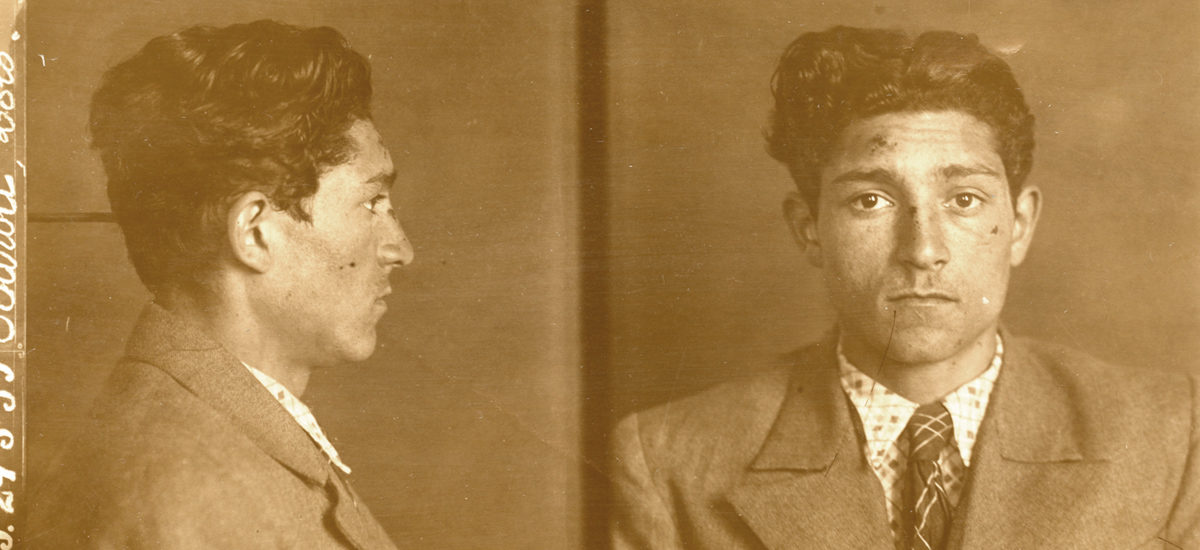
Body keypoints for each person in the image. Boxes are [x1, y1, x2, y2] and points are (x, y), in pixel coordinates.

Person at [609, 26, 1198, 549]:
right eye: (871, 200)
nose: (922, 250)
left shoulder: (1173, 435)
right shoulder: (670, 460)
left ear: (1019, 225)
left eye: (963, 200)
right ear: (809, 228)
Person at [26, 20, 410, 548]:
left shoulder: (214, 439)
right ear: (254, 233)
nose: (401, 249)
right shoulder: (176, 498)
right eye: (372, 202)